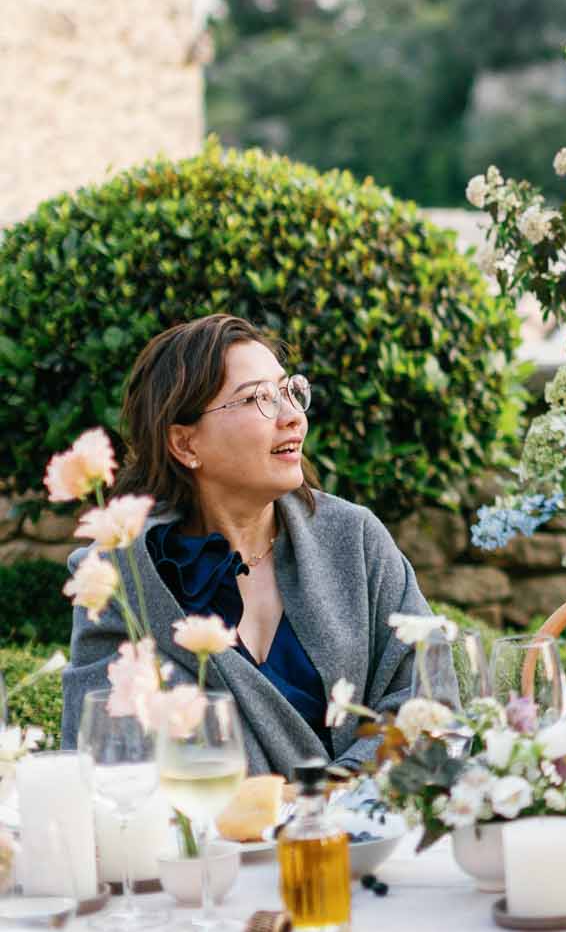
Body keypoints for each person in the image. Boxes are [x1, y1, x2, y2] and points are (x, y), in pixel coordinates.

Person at [63, 314, 433, 772]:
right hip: (212, 841)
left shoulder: (355, 539)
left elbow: (427, 698)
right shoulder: (123, 579)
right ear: (184, 443)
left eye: (288, 391)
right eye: (259, 398)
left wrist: (335, 800)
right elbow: (105, 753)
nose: (293, 416)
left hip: (365, 834)